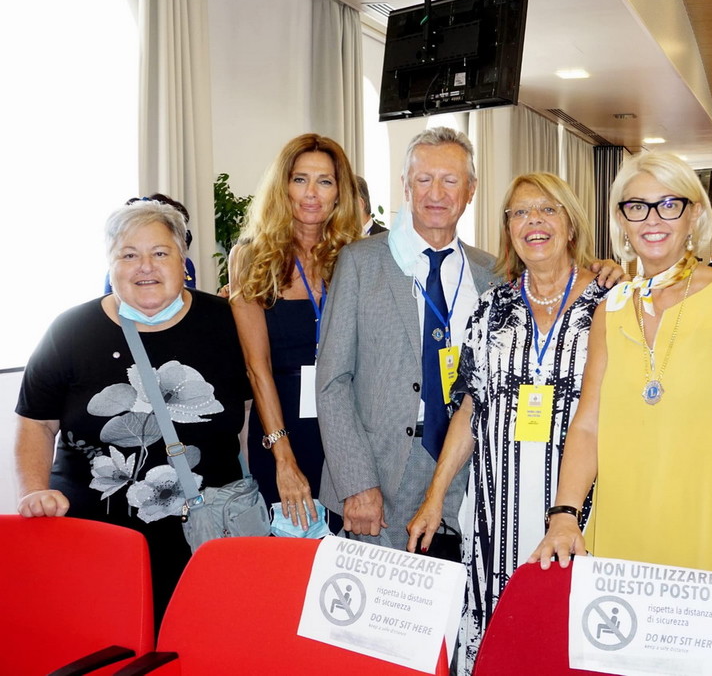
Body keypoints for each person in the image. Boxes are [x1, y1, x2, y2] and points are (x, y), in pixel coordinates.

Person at [317, 126, 624, 554]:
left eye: (450, 180)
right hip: (377, 478)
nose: (436, 193)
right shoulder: (360, 262)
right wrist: (356, 482)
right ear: (405, 185)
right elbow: (332, 382)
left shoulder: (493, 276)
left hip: (472, 478)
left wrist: (608, 271)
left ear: (471, 190)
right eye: (424, 179)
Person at [530, 151, 712, 611]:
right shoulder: (609, 309)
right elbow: (588, 424)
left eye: (669, 204)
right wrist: (565, 514)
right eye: (637, 206)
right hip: (620, 521)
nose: (652, 219)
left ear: (694, 215)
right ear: (621, 220)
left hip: (706, 521)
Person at [406, 173, 608, 673]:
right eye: (519, 212)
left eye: (547, 209)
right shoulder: (492, 308)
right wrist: (435, 497)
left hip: (582, 510)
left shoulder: (610, 304)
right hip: (496, 515)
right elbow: (469, 409)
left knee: (571, 636)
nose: (533, 221)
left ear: (571, 224)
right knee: (502, 640)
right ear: (508, 229)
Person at [15, 199, 251, 621]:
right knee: (106, 639)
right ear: (110, 264)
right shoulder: (70, 331)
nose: (145, 267)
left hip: (207, 531)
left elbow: (252, 413)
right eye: (128, 255)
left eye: (160, 253)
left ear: (183, 259)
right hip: (95, 537)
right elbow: (36, 422)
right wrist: (34, 492)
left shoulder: (227, 322)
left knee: (204, 634)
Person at [228, 133, 362, 531]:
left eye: (325, 181)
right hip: (281, 429)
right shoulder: (251, 257)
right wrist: (283, 458)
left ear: (340, 193)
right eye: (300, 179)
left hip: (347, 430)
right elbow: (257, 368)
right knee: (289, 554)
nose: (311, 193)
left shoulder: (357, 257)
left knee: (346, 553)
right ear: (282, 186)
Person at [104, 193, 197, 293]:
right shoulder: (119, 270)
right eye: (130, 256)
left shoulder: (187, 264)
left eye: (160, 254)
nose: (147, 268)